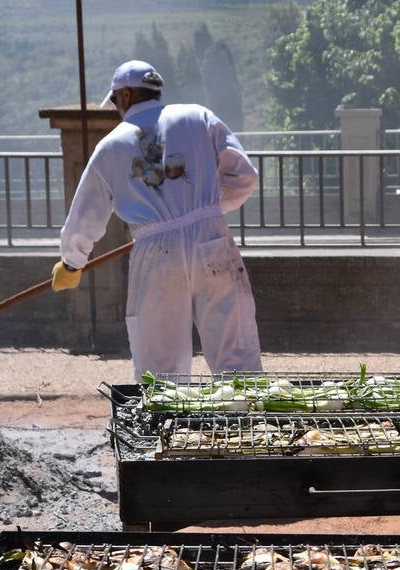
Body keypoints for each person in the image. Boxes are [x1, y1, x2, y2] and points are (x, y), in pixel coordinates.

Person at [51, 60, 262, 379]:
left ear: (123, 97)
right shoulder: (198, 116)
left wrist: (71, 263)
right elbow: (244, 176)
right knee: (236, 352)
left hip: (156, 253)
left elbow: (85, 215)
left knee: (161, 367)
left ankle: (165, 428)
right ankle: (248, 422)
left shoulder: (110, 147)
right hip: (212, 240)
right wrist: (205, 211)